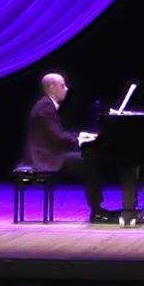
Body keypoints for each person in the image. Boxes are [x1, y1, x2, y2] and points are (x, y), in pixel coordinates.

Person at [20, 72, 119, 224]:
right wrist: (80, 139)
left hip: (50, 153)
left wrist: (81, 135)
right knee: (89, 162)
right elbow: (58, 138)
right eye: (62, 85)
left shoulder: (46, 104)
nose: (66, 89)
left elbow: (58, 135)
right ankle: (97, 211)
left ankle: (98, 209)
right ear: (52, 88)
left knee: (89, 159)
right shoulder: (45, 106)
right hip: (45, 157)